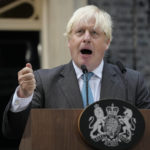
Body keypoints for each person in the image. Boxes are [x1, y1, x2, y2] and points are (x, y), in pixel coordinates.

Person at [2, 5, 150, 140]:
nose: (86, 38)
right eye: (80, 32)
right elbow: (15, 132)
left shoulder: (132, 82)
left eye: (94, 33)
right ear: (69, 41)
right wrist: (23, 96)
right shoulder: (44, 82)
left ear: (107, 42)